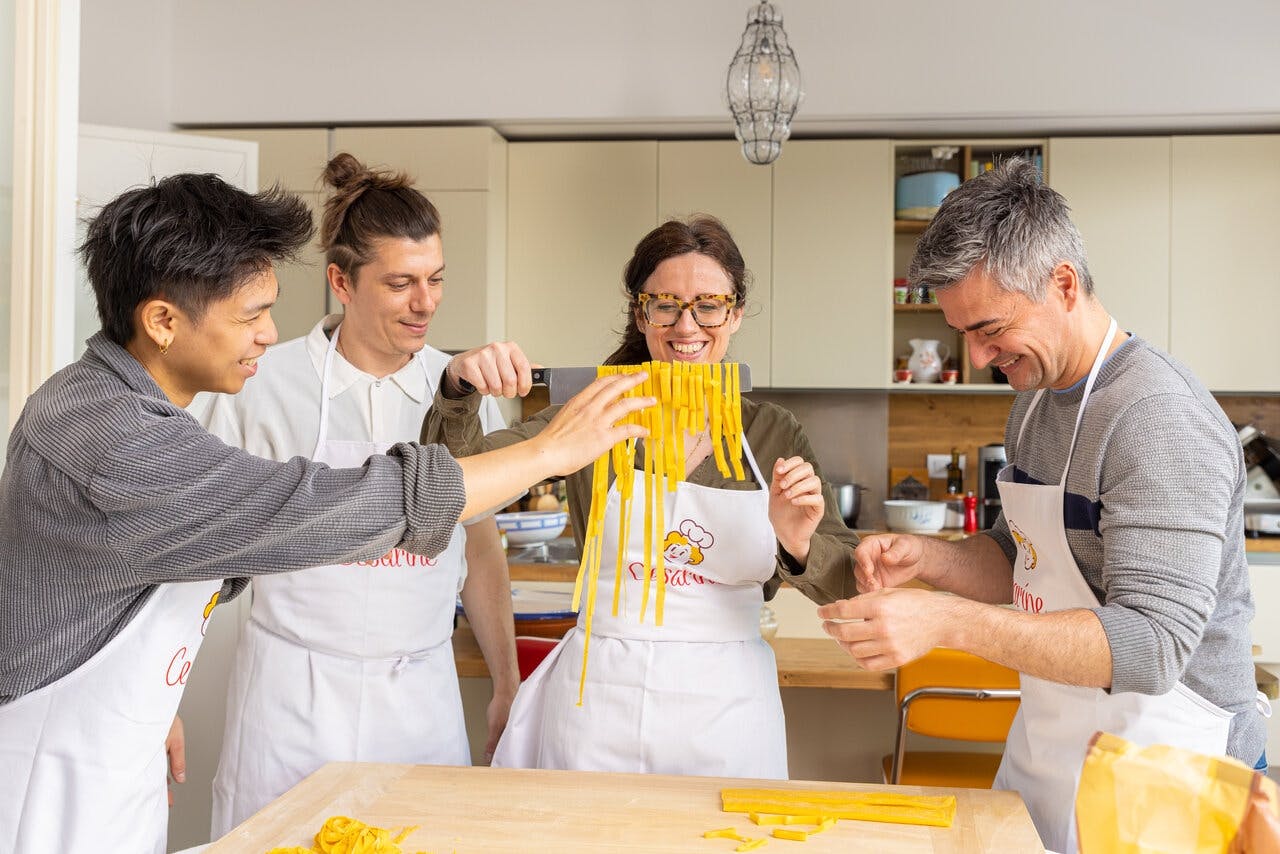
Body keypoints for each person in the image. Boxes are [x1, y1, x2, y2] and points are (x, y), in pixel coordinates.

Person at [0, 173, 652, 854]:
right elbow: (307, 509)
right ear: (163, 321)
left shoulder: (115, 405)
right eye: (249, 315)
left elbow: (157, 570)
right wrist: (549, 450)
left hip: (110, 757)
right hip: (60, 780)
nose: (267, 333)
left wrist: (151, 698)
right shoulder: (117, 438)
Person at [817, 159, 1266, 854]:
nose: (976, 354)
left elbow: (1152, 648)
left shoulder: (1157, 416)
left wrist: (946, 622)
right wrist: (930, 561)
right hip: (1054, 757)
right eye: (963, 331)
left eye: (989, 327)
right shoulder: (1033, 401)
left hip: (1172, 781)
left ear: (1062, 283)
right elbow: (1019, 557)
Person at [422, 215, 860, 779]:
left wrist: (796, 543)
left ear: (735, 313)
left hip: (727, 715)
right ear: (640, 313)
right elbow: (455, 484)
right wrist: (458, 392)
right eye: (666, 304)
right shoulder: (592, 412)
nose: (687, 325)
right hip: (597, 704)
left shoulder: (772, 433)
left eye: (708, 304)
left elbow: (845, 579)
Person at [193, 154, 519, 836]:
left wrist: (507, 684)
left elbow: (482, 552)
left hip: (418, 698)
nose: (425, 303)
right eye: (400, 283)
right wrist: (156, 698)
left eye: (434, 280)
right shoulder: (261, 383)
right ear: (342, 281)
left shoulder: (462, 392)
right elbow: (197, 555)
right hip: (291, 700)